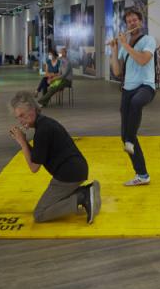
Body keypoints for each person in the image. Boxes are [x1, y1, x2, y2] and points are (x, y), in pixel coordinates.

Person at [9, 91, 100, 224]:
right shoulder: (44, 124)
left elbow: (34, 167)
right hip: (77, 169)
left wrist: (22, 142)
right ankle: (86, 191)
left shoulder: (42, 131)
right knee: (54, 202)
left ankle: (82, 196)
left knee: (40, 213)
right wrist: (24, 142)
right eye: (18, 117)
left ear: (33, 110)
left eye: (22, 115)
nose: (20, 121)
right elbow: (36, 156)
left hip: (68, 175)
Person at [108, 8, 156, 186]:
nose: (132, 23)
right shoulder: (125, 44)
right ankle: (142, 175)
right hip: (127, 90)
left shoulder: (148, 40)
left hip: (145, 87)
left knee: (136, 103)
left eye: (135, 20)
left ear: (140, 22)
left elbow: (143, 60)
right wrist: (115, 50)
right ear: (126, 25)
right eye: (129, 21)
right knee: (125, 136)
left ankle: (129, 139)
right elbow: (117, 71)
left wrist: (125, 45)